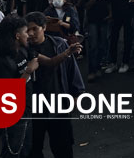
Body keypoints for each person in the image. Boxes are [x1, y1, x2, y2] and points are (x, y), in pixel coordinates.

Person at [25, 12, 84, 158]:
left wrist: (77, 93)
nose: (31, 33)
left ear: (44, 28)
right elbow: (52, 62)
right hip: (33, 110)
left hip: (57, 106)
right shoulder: (24, 50)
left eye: (34, 29)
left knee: (63, 148)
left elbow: (72, 70)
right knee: (33, 149)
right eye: (27, 30)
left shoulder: (59, 44)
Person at [0, 16, 39, 158]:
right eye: (26, 32)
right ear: (17, 35)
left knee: (25, 150)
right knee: (12, 152)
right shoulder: (0, 61)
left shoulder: (20, 51)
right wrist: (28, 71)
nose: (29, 35)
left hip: (25, 112)